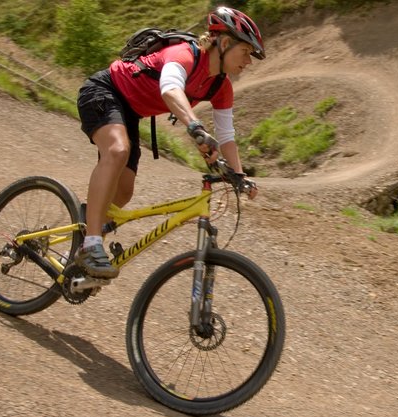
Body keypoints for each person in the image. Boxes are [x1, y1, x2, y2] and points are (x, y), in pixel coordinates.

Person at [74, 6, 264, 280]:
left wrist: (239, 175)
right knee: (117, 151)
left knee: (124, 192)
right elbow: (170, 88)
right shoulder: (183, 54)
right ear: (223, 43)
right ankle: (91, 244)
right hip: (104, 91)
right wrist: (195, 125)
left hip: (129, 112)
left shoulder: (221, 88)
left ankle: (84, 232)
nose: (248, 61)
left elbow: (227, 136)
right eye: (245, 52)